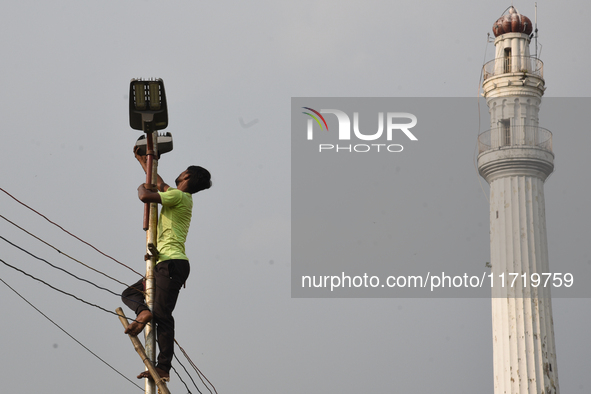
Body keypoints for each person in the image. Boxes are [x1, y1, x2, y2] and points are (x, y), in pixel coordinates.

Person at [122, 146, 211, 381]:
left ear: (187, 176)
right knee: (130, 294)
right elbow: (159, 184)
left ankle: (163, 368)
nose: (179, 172)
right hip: (165, 263)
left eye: (183, 171)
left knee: (162, 314)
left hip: (171, 263)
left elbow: (146, 195)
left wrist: (142, 187)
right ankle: (143, 314)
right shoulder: (179, 196)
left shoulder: (179, 197)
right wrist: (144, 161)